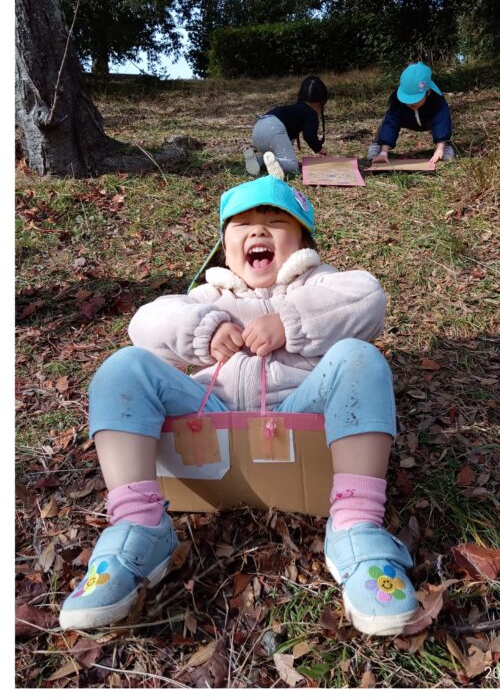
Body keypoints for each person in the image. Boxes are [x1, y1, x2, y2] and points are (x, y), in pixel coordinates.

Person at [59, 176, 418, 636]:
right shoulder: (209, 297)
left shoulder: (318, 284)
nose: (258, 232)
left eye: (275, 222)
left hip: (299, 410)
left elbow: (368, 298)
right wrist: (203, 330)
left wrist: (290, 323)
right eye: (243, 224)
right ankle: (138, 525)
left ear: (303, 241)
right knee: (123, 369)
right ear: (225, 248)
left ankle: (356, 526)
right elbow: (144, 325)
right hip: (211, 411)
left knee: (361, 360)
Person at [244, 76, 329, 180]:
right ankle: (277, 162)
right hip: (273, 128)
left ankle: (258, 161)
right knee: (292, 166)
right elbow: (309, 135)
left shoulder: (294, 109)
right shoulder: (310, 113)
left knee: (273, 156)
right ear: (321, 102)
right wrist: (319, 148)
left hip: (258, 128)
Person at [368, 62, 454, 165]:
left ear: (428, 91)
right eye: (407, 100)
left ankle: (444, 146)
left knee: (443, 123)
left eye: (415, 99)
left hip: (428, 120)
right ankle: (379, 145)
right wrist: (384, 152)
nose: (411, 103)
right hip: (407, 119)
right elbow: (391, 123)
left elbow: (442, 122)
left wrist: (439, 148)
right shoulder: (397, 101)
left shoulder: (437, 100)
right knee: (387, 119)